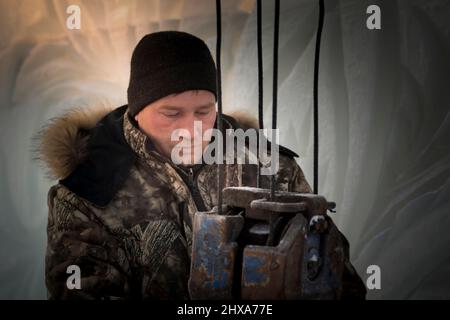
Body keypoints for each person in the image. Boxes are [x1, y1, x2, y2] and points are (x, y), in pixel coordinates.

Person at [38, 31, 365, 299]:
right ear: (137, 110)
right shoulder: (88, 191)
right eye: (172, 113)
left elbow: (337, 278)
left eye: (204, 111)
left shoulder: (270, 169)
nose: (191, 127)